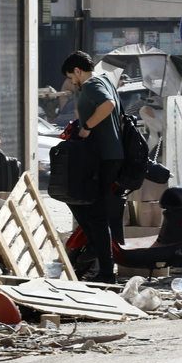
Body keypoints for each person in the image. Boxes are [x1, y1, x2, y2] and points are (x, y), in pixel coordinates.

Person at [60, 50, 125, 284]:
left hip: (103, 157)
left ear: (78, 71)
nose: (72, 83)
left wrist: (86, 127)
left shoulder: (91, 85)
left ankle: (106, 272)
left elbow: (107, 105)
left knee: (93, 213)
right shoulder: (106, 79)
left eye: (71, 77)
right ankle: (98, 256)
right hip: (109, 156)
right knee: (87, 207)